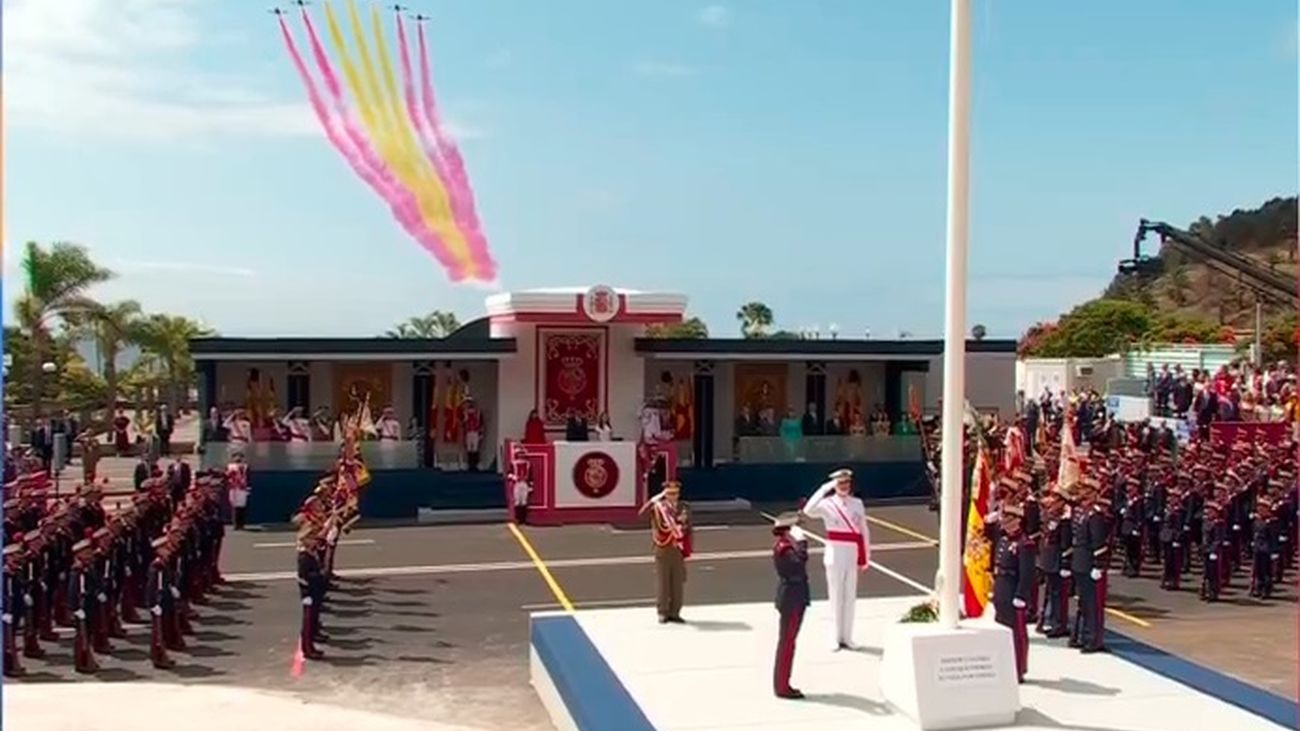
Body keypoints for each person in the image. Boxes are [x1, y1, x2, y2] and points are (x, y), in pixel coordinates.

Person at [801, 468, 869, 650]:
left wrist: (866, 556)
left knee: (849, 597)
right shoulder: (827, 504)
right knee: (835, 596)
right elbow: (808, 510)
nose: (844, 486)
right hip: (835, 553)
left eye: (847, 482)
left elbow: (864, 531)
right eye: (840, 483)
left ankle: (847, 636)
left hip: (852, 553)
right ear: (834, 485)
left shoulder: (857, 503)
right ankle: (834, 636)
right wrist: (824, 488)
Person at [771, 511, 810, 700]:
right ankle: (782, 686)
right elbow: (798, 563)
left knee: (788, 642)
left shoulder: (787, 546)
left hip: (795, 596)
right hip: (791, 598)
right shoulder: (785, 548)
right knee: (787, 643)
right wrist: (802, 543)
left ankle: (783, 683)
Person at [991, 506, 1033, 683]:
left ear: (1017, 520)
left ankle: (1018, 668)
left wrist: (1021, 595)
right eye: (1004, 520)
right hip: (1001, 588)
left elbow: (1027, 573)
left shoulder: (1025, 544)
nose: (1005, 524)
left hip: (1013, 590)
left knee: (1016, 633)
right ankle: (1004, 665)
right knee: (1002, 630)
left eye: (1008, 520)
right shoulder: (1003, 540)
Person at [644, 480, 691, 624]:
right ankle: (663, 612)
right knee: (663, 582)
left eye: (675, 493)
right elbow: (643, 513)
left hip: (678, 548)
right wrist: (654, 500)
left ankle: (675, 612)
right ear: (664, 494)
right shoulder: (659, 507)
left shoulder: (684, 506)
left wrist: (681, 524)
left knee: (677, 582)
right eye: (669, 493)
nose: (673, 496)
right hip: (663, 548)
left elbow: (687, 524)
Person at [296, 523, 326, 660]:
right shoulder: (304, 557)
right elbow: (302, 577)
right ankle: (307, 648)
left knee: (313, 620)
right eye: (312, 538)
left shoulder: (311, 552)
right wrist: (307, 594)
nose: (315, 540)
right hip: (309, 593)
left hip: (316, 591)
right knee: (308, 622)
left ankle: (311, 646)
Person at [227, 453, 250, 530]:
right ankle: (236, 524)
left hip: (242, 488)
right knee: (234, 506)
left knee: (242, 506)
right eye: (236, 457)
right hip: (233, 488)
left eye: (240, 457)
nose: (238, 458)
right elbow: (227, 476)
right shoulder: (230, 467)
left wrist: (248, 488)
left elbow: (248, 478)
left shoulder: (245, 467)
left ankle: (241, 524)